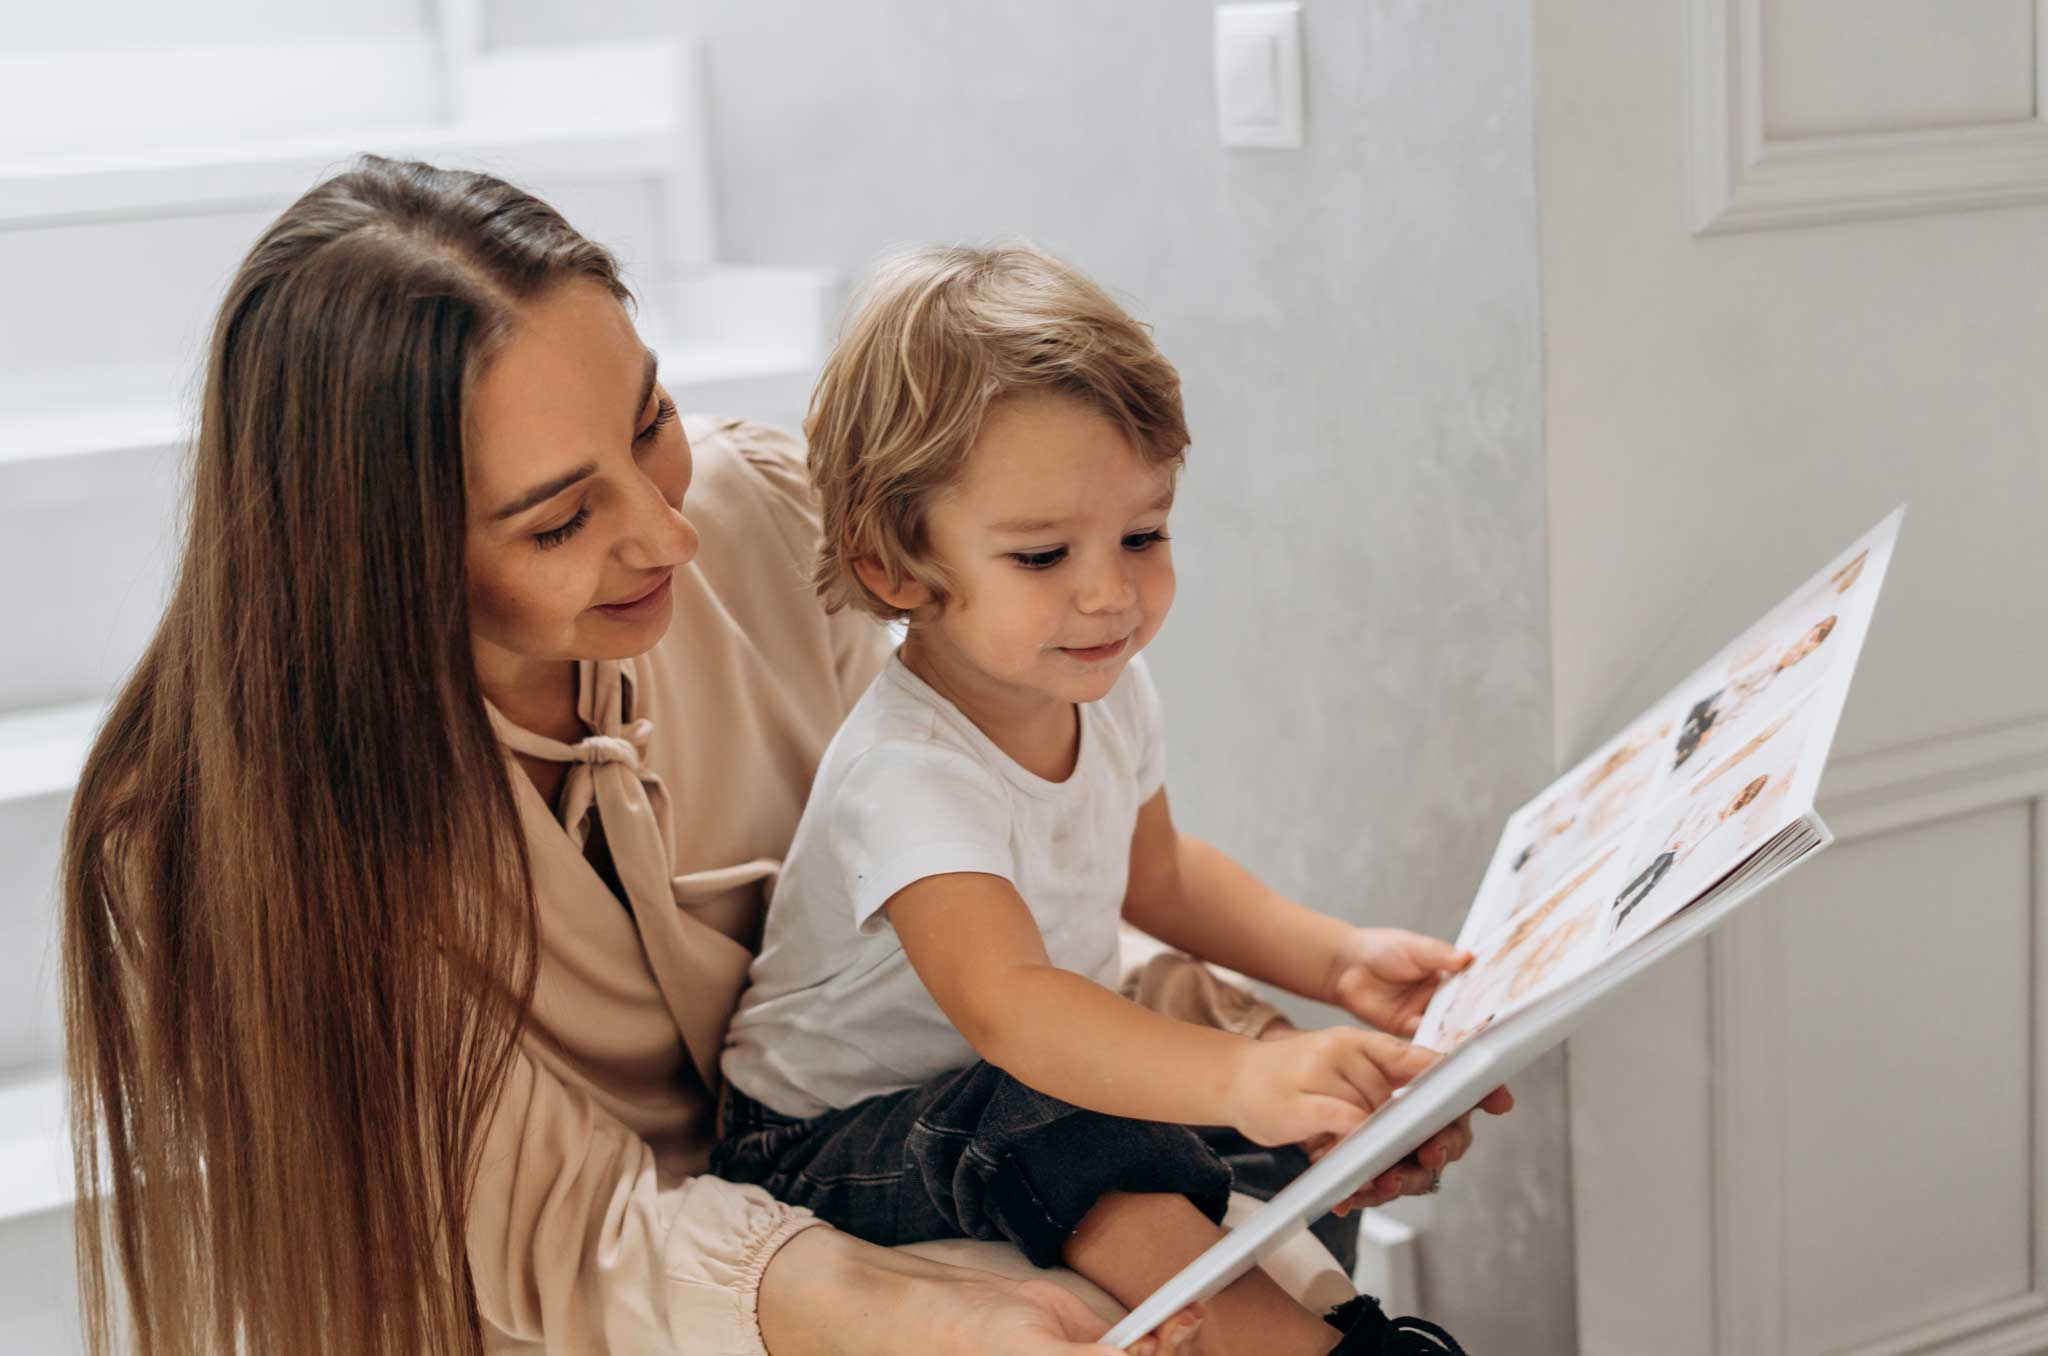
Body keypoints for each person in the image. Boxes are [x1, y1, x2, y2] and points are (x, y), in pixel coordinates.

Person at [58, 159, 1501, 1356]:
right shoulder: (209, 847)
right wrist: (899, 1304)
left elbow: (982, 920)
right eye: (562, 520)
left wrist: (1284, 1062)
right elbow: (569, 1245)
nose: (670, 534)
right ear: (368, 561)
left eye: (652, 422)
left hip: (918, 1136)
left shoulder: (772, 519)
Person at [714, 246, 1502, 1356]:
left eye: (1143, 535)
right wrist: (1239, 1078)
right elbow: (1011, 1007)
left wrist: (1334, 961)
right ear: (892, 567)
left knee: (1288, 1123)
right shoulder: (908, 771)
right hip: (825, 1139)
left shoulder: (1109, 688)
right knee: (1064, 1117)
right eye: (1042, 555)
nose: (1109, 592)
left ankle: (1311, 1294)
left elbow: (1160, 875)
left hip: (995, 1081)